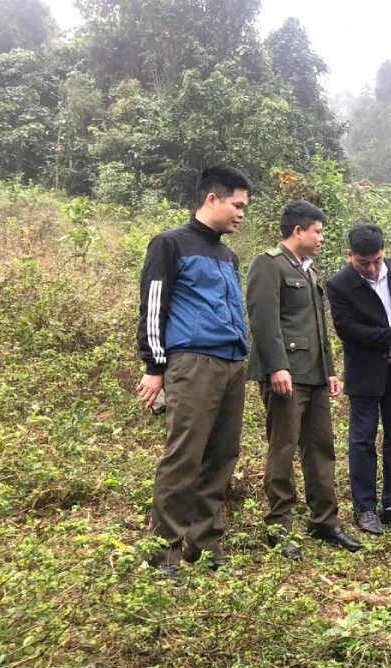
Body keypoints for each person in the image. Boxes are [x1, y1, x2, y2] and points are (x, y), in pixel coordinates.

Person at [135, 163, 252, 579]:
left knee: (222, 456)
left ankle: (204, 546)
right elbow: (154, 306)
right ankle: (163, 552)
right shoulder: (170, 244)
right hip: (193, 364)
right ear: (212, 198)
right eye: (237, 205)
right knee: (183, 457)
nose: (241, 213)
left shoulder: (228, 254)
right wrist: (154, 366)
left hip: (232, 364)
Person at [246, 201, 362, 560]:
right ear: (299, 231)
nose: (321, 238)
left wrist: (328, 370)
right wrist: (277, 366)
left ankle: (324, 520)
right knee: (283, 449)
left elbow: (318, 330)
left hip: (313, 376)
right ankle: (279, 528)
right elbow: (263, 320)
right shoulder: (269, 264)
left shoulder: (309, 272)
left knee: (321, 448)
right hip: (286, 376)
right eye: (318, 231)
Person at [326, 224, 391, 536]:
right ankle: (365, 508)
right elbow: (348, 329)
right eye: (363, 263)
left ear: (384, 253)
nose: (371, 269)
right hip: (366, 371)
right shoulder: (339, 284)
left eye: (377, 261)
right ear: (350, 256)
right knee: (363, 441)